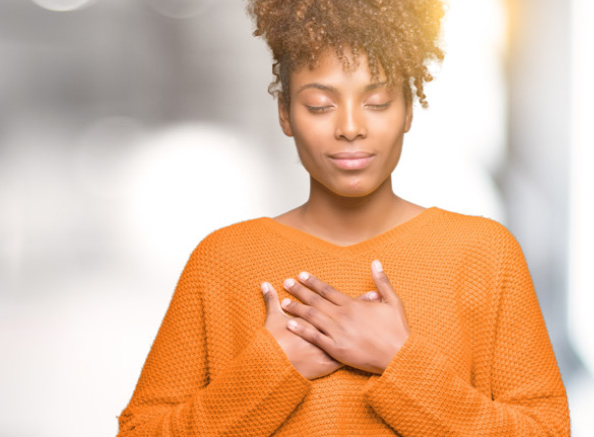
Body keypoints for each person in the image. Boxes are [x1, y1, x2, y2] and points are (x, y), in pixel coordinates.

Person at [118, 0, 570, 435]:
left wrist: (400, 361)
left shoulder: (484, 255)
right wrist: (271, 369)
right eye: (320, 105)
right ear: (285, 114)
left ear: (409, 109)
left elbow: (547, 432)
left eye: (377, 102)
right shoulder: (222, 262)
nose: (350, 126)